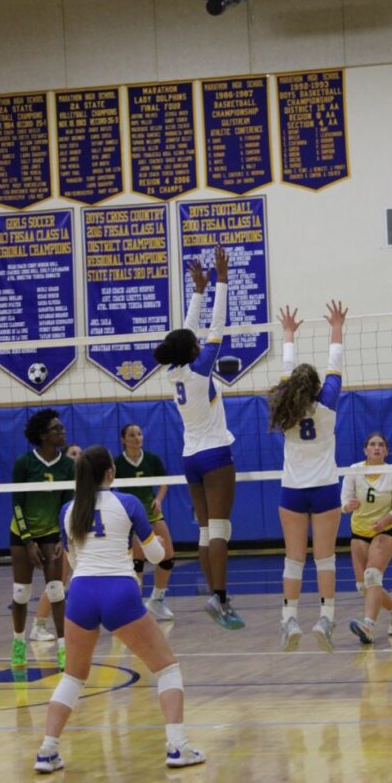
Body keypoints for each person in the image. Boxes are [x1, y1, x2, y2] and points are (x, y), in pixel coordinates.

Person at [34, 445, 205, 774]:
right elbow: (156, 557)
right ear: (110, 472)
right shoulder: (129, 503)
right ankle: (178, 745)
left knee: (73, 675)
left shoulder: (69, 510)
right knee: (167, 668)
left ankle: (47, 751)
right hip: (119, 591)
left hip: (82, 592)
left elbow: (73, 560)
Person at [153, 245, 244, 630]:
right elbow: (216, 327)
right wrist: (221, 281)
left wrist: (198, 290)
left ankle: (215, 595)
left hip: (190, 457)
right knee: (220, 529)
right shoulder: (199, 369)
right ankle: (221, 598)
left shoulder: (174, 371)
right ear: (193, 352)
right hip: (214, 455)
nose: (198, 343)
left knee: (207, 530)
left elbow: (187, 333)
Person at [267, 300, 347, 652]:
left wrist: (287, 333)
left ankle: (288, 620)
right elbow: (335, 362)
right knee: (325, 557)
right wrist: (336, 325)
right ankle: (326, 618)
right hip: (326, 489)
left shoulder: (284, 410)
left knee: (294, 557)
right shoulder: (327, 404)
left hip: (293, 491)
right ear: (316, 386)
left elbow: (286, 369)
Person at [9, 410, 75, 671]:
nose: (62, 432)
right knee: (21, 592)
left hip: (51, 532)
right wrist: (28, 542)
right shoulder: (24, 463)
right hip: (22, 532)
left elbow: (67, 503)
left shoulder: (67, 466)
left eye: (61, 428)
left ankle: (62, 648)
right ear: (42, 435)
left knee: (57, 590)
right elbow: (16, 504)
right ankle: (17, 644)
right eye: (56, 429)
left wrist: (62, 536)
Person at [342, 432, 392, 644]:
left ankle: (368, 626)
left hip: (384, 530)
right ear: (366, 450)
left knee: (372, 576)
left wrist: (385, 521)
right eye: (372, 444)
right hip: (359, 531)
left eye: (381, 445)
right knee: (363, 586)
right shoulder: (354, 471)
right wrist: (348, 506)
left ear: (386, 451)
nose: (377, 448)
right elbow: (343, 502)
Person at [114, 424, 176, 622]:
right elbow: (110, 488)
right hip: (129, 516)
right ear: (123, 439)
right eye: (132, 435)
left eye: (139, 434)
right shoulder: (117, 463)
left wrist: (158, 499)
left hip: (151, 513)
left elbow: (164, 482)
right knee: (137, 561)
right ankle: (135, 606)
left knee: (168, 556)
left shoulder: (151, 459)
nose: (136, 438)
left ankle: (157, 599)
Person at [29, 443, 82, 643]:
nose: (78, 456)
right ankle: (38, 625)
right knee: (58, 581)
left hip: (74, 536)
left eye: (80, 454)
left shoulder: (82, 480)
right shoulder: (62, 480)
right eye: (73, 453)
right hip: (60, 536)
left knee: (67, 580)